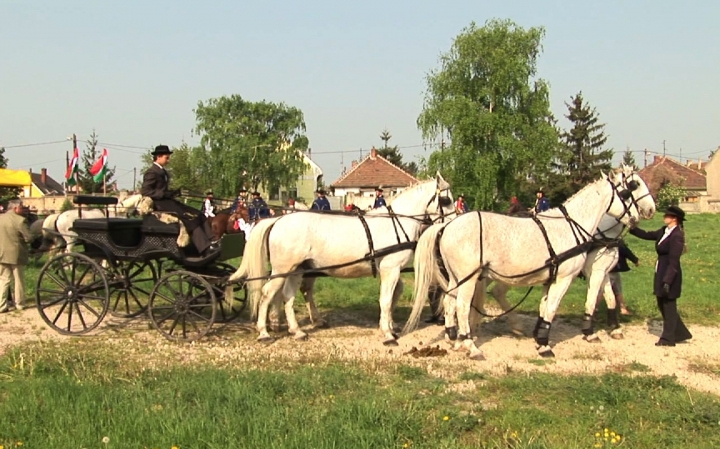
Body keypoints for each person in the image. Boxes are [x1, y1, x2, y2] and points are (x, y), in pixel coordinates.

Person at [629, 205, 691, 347]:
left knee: (669, 306)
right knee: (661, 304)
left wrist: (667, 281)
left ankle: (668, 339)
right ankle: (680, 333)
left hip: (670, 274)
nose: (664, 217)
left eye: (667, 216)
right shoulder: (664, 231)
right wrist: (632, 228)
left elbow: (674, 262)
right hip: (661, 270)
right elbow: (647, 235)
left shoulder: (677, 236)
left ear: (675, 219)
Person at [141, 144, 217, 255]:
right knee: (189, 219)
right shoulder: (152, 172)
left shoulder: (162, 171)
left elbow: (160, 189)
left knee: (198, 214)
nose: (168, 160)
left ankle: (212, 240)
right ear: (159, 157)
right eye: (167, 157)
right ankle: (204, 248)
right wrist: (165, 194)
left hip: (168, 201)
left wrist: (172, 192)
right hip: (160, 204)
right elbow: (146, 191)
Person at [0, 199, 32, 312]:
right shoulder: (20, 221)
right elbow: (29, 238)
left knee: (4, 280)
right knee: (19, 280)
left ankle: (2, 305)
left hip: (2, 253)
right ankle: (20, 304)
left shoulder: (0, 218)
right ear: (15, 208)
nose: (23, 209)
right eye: (21, 207)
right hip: (16, 254)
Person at [608, 240, 640, 316]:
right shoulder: (615, 240)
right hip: (613, 269)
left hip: (604, 269)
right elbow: (625, 251)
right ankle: (594, 311)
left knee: (617, 289)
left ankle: (623, 308)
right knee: (608, 290)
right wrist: (635, 260)